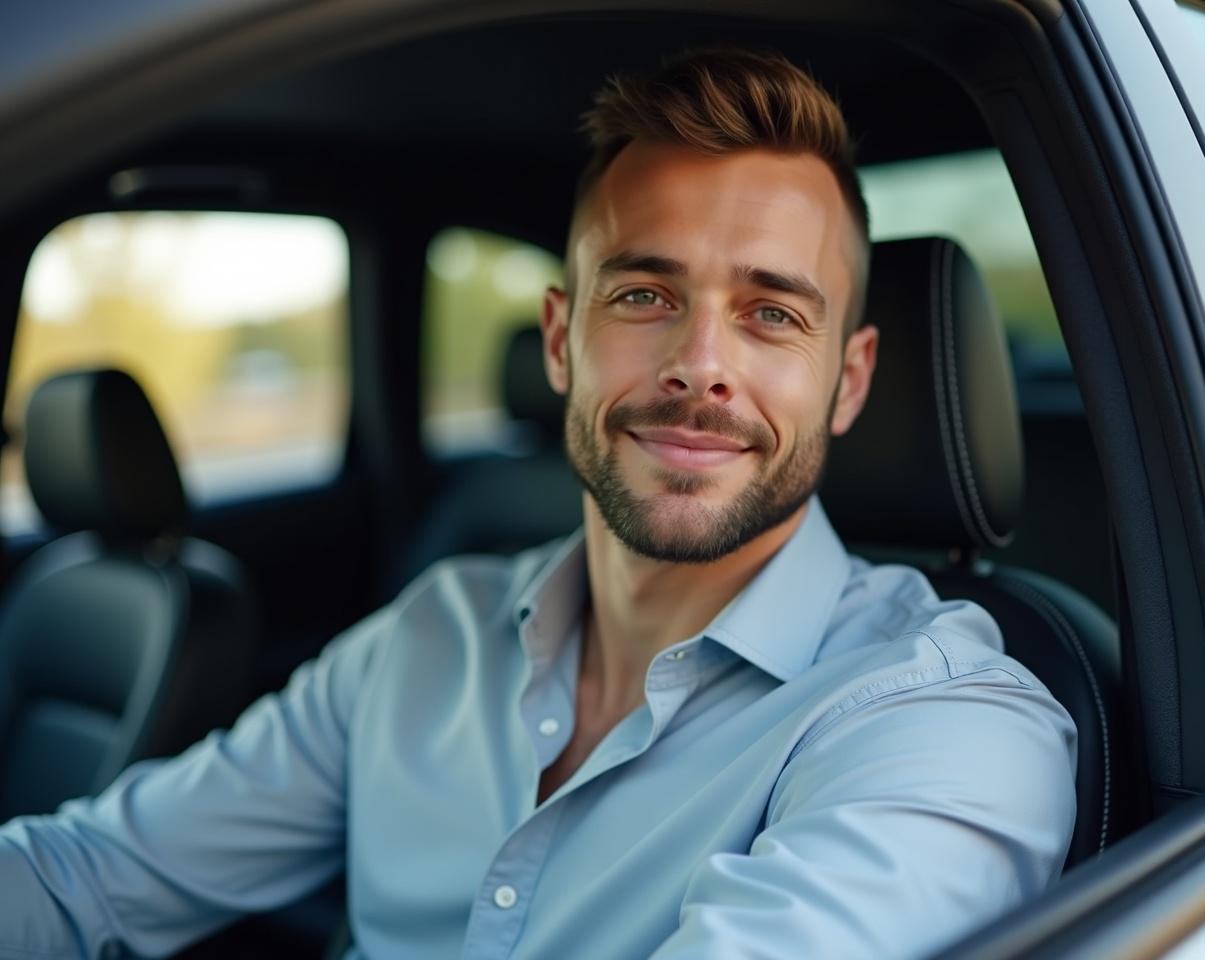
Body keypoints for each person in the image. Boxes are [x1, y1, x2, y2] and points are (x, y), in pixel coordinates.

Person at [0, 48, 1075, 960]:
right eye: (644, 295)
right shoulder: (430, 635)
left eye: (771, 315)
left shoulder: (940, 727)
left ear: (847, 381)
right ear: (561, 340)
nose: (701, 365)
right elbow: (86, 874)